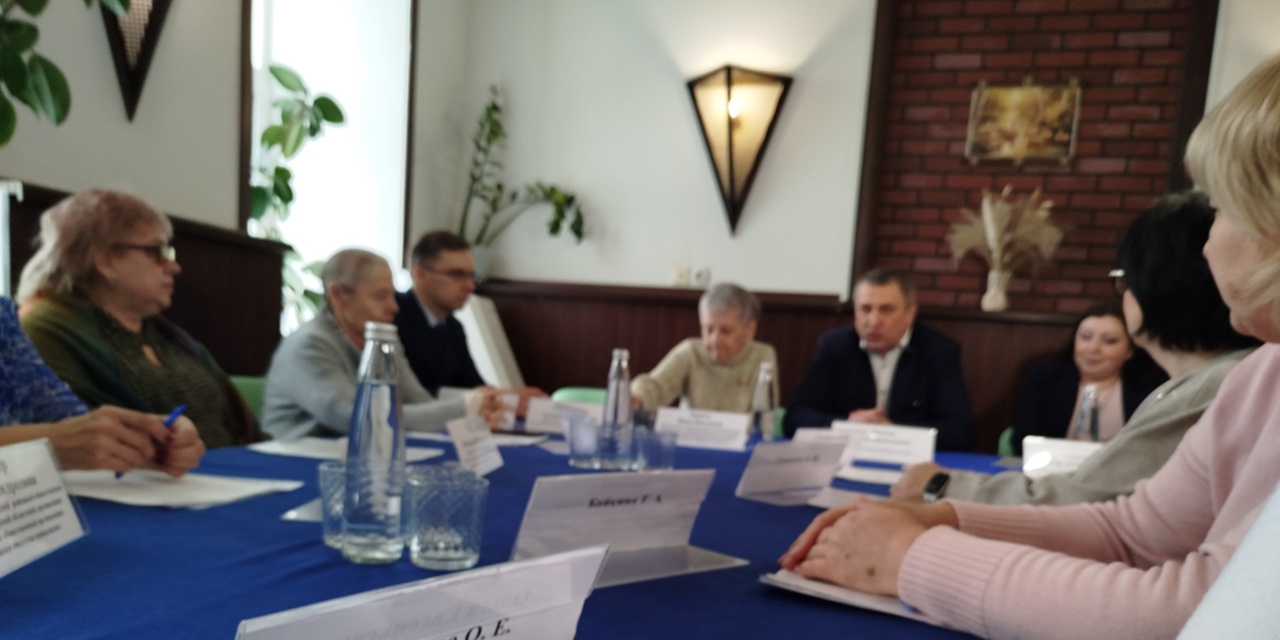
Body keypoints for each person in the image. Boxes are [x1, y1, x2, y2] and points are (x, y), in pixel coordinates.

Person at [778, 52, 1280, 639]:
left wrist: (905, 556)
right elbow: (1131, 531)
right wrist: (945, 518)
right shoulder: (1261, 374)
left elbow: (1198, 614)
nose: (1207, 244)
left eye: (1220, 208)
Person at [891, 192, 1258, 505]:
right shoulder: (1211, 381)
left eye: (1123, 280)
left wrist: (942, 485)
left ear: (1158, 286)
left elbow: (1085, 499)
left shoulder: (1216, 390)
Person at [16, 189, 257, 449]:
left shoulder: (165, 334)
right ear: (105, 261)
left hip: (232, 465)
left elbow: (244, 426)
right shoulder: (44, 328)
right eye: (157, 251)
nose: (173, 267)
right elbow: (82, 433)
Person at [263, 248, 502, 440]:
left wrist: (474, 407)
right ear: (338, 296)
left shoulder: (383, 339)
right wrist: (464, 407)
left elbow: (418, 402)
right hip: (291, 464)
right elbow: (357, 418)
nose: (394, 307)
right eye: (381, 296)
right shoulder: (309, 346)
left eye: (392, 295)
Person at [0, 296, 204, 476]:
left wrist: (143, 440)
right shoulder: (52, 321)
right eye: (155, 260)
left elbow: (62, 414)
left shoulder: (3, 318)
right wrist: (50, 443)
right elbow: (60, 436)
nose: (174, 268)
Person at [784, 268, 975, 451]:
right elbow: (796, 417)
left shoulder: (939, 351)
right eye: (865, 309)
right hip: (847, 455)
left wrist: (892, 433)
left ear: (910, 313)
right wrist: (847, 425)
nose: (874, 321)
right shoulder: (835, 347)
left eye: (886, 310)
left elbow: (960, 431)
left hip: (909, 460)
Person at [394, 230, 544, 415]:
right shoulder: (391, 316)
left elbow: (472, 386)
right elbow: (404, 397)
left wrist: (505, 396)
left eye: (471, 276)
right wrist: (477, 398)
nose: (470, 286)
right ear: (421, 274)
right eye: (457, 275)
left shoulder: (454, 328)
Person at [1007, 301, 1166, 455]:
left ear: (1130, 351)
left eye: (1109, 341)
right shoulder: (1045, 377)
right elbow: (1021, 441)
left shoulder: (1150, 389)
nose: (1093, 348)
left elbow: (1154, 449)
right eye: (1085, 337)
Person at [629, 282, 778, 412]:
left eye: (726, 331)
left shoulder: (763, 355)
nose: (715, 340)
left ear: (750, 329)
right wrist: (637, 398)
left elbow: (764, 414)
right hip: (689, 433)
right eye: (708, 329)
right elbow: (656, 386)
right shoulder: (691, 351)